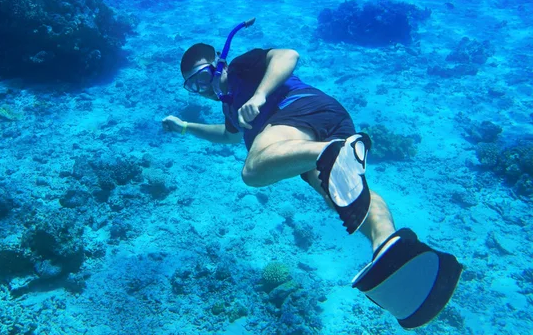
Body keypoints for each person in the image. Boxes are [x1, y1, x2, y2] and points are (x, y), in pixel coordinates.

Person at [162, 38, 462, 329]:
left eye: (202, 78)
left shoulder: (241, 66)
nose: (202, 90)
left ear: (219, 62)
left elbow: (287, 56)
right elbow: (229, 135)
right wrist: (186, 127)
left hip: (297, 113)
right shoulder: (230, 105)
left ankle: (329, 152)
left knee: (253, 171)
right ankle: (390, 245)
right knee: (346, 193)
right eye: (193, 87)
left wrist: (259, 95)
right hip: (326, 124)